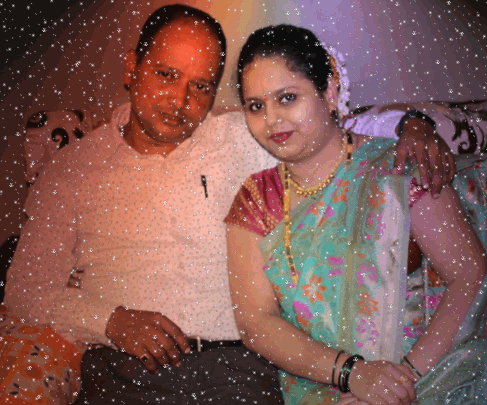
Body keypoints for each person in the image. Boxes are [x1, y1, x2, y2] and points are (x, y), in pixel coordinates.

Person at [4, 6, 454, 405]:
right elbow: (25, 290)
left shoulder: (245, 134)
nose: (180, 101)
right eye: (166, 75)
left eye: (200, 86)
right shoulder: (70, 171)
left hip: (238, 368)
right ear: (132, 67)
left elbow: (330, 131)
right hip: (124, 370)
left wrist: (414, 126)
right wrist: (111, 322)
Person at [225, 24, 487, 405]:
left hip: (428, 376)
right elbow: (256, 322)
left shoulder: (400, 168)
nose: (272, 119)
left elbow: (469, 275)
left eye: (287, 98)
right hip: (320, 384)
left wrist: (400, 382)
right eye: (256, 106)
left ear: (329, 92)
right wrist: (351, 373)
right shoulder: (256, 199)